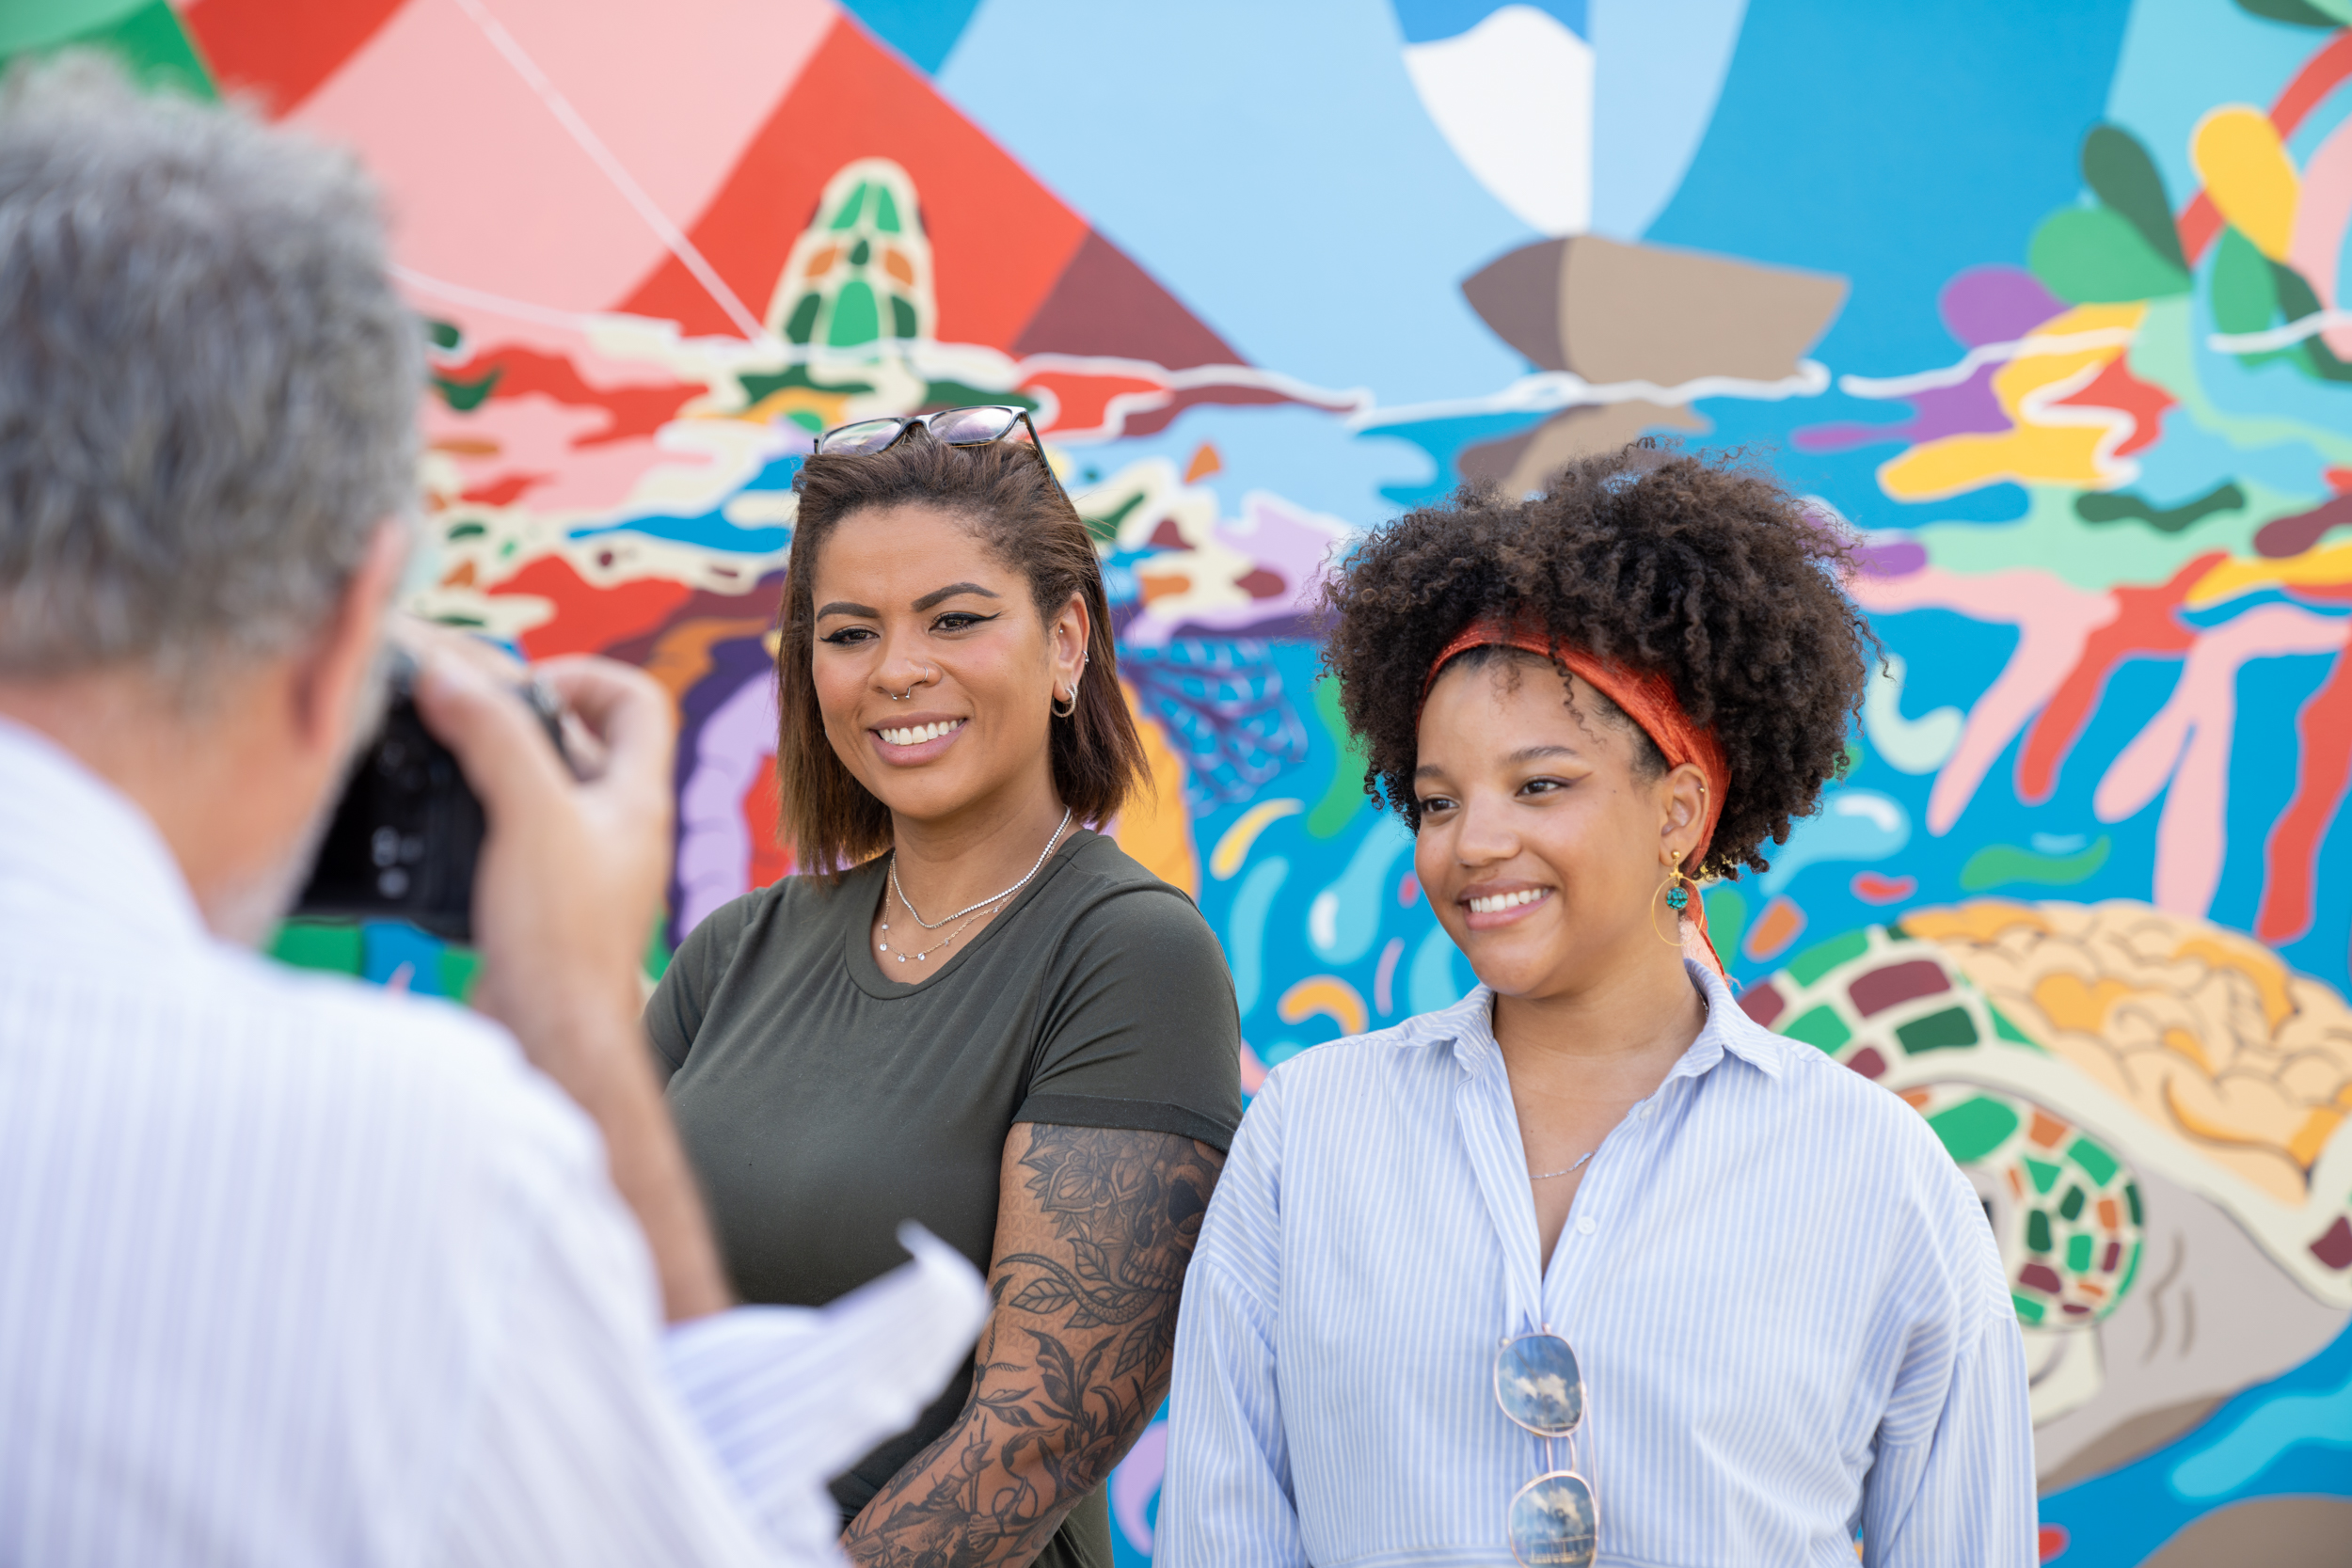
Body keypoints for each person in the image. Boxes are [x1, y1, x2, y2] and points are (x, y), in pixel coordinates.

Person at [0, 57, 988, 1567]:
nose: (893, 673)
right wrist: (586, 1036)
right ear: (348, 641)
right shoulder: (412, 1169)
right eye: (848, 629)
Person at [1159, 444, 2037, 1567]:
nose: (1474, 842)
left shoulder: (1876, 1174)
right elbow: (1224, 1534)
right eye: (1436, 800)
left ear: (1679, 809)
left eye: (1540, 784)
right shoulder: (1308, 1133)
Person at [647, 409, 1244, 1567]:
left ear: (1066, 639)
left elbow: (1038, 1433)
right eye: (850, 631)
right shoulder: (733, 953)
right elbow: (562, 1284)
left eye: (955, 619)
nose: (897, 669)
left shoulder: (1127, 954)